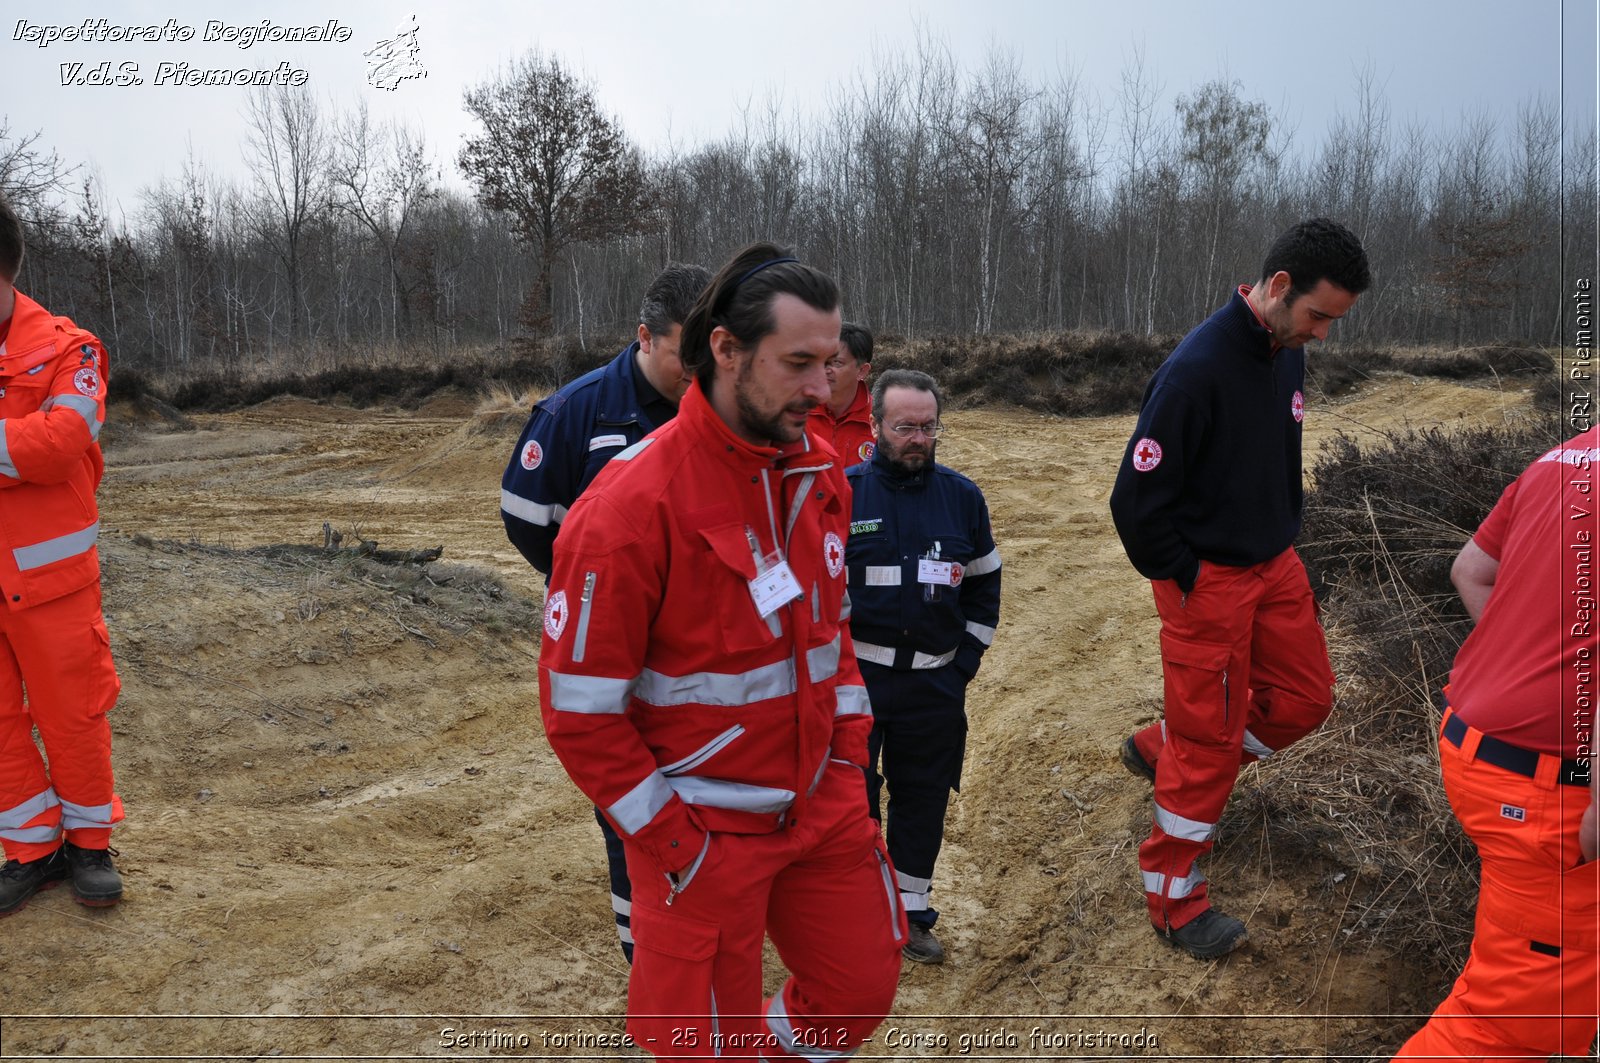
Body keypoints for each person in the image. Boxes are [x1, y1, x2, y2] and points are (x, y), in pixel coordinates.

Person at [537, 242, 903, 1059]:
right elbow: (579, 714)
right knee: (700, 1045)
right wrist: (679, 848)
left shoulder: (818, 476)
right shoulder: (631, 505)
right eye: (799, 362)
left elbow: (830, 643)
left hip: (819, 808)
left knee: (857, 990)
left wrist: (847, 768)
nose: (825, 386)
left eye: (833, 361)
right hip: (699, 838)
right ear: (726, 350)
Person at [1108, 217, 1371, 959]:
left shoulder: (1285, 352)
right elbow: (1134, 503)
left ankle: (1166, 748)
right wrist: (1191, 578)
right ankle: (1174, 899)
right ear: (1279, 286)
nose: (1322, 334)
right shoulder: (1196, 369)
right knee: (1211, 740)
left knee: (1306, 699)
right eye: (1319, 315)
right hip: (1210, 580)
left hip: (1274, 564)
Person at [501, 261, 709, 962]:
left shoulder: (724, 406)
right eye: (689, 352)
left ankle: (708, 921)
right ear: (644, 337)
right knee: (630, 798)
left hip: (708, 654)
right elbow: (528, 516)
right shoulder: (577, 413)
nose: (702, 369)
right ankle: (643, 946)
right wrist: (593, 590)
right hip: (620, 655)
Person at [1393, 428, 1599, 1059]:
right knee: (1504, 1026)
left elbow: (1471, 572)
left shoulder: (1566, 455)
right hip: (1544, 791)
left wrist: (1532, 662)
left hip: (1478, 746)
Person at [844, 368, 1000, 966]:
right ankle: (861, 914)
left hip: (934, 683)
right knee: (853, 804)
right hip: (856, 682)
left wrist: (963, 664)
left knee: (922, 799)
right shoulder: (845, 492)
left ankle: (911, 914)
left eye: (928, 427)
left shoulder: (963, 498)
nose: (918, 438)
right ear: (876, 425)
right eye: (905, 426)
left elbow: (985, 585)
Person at [0, 194, 125, 916]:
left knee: (72, 714)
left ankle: (88, 845)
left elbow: (58, 446)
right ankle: (30, 849)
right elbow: (30, 447)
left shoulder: (69, 349)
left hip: (51, 584)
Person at [807, 321, 874, 464]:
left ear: (862, 371)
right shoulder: (798, 413)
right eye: (823, 361)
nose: (826, 369)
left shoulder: (880, 420)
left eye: (837, 363)